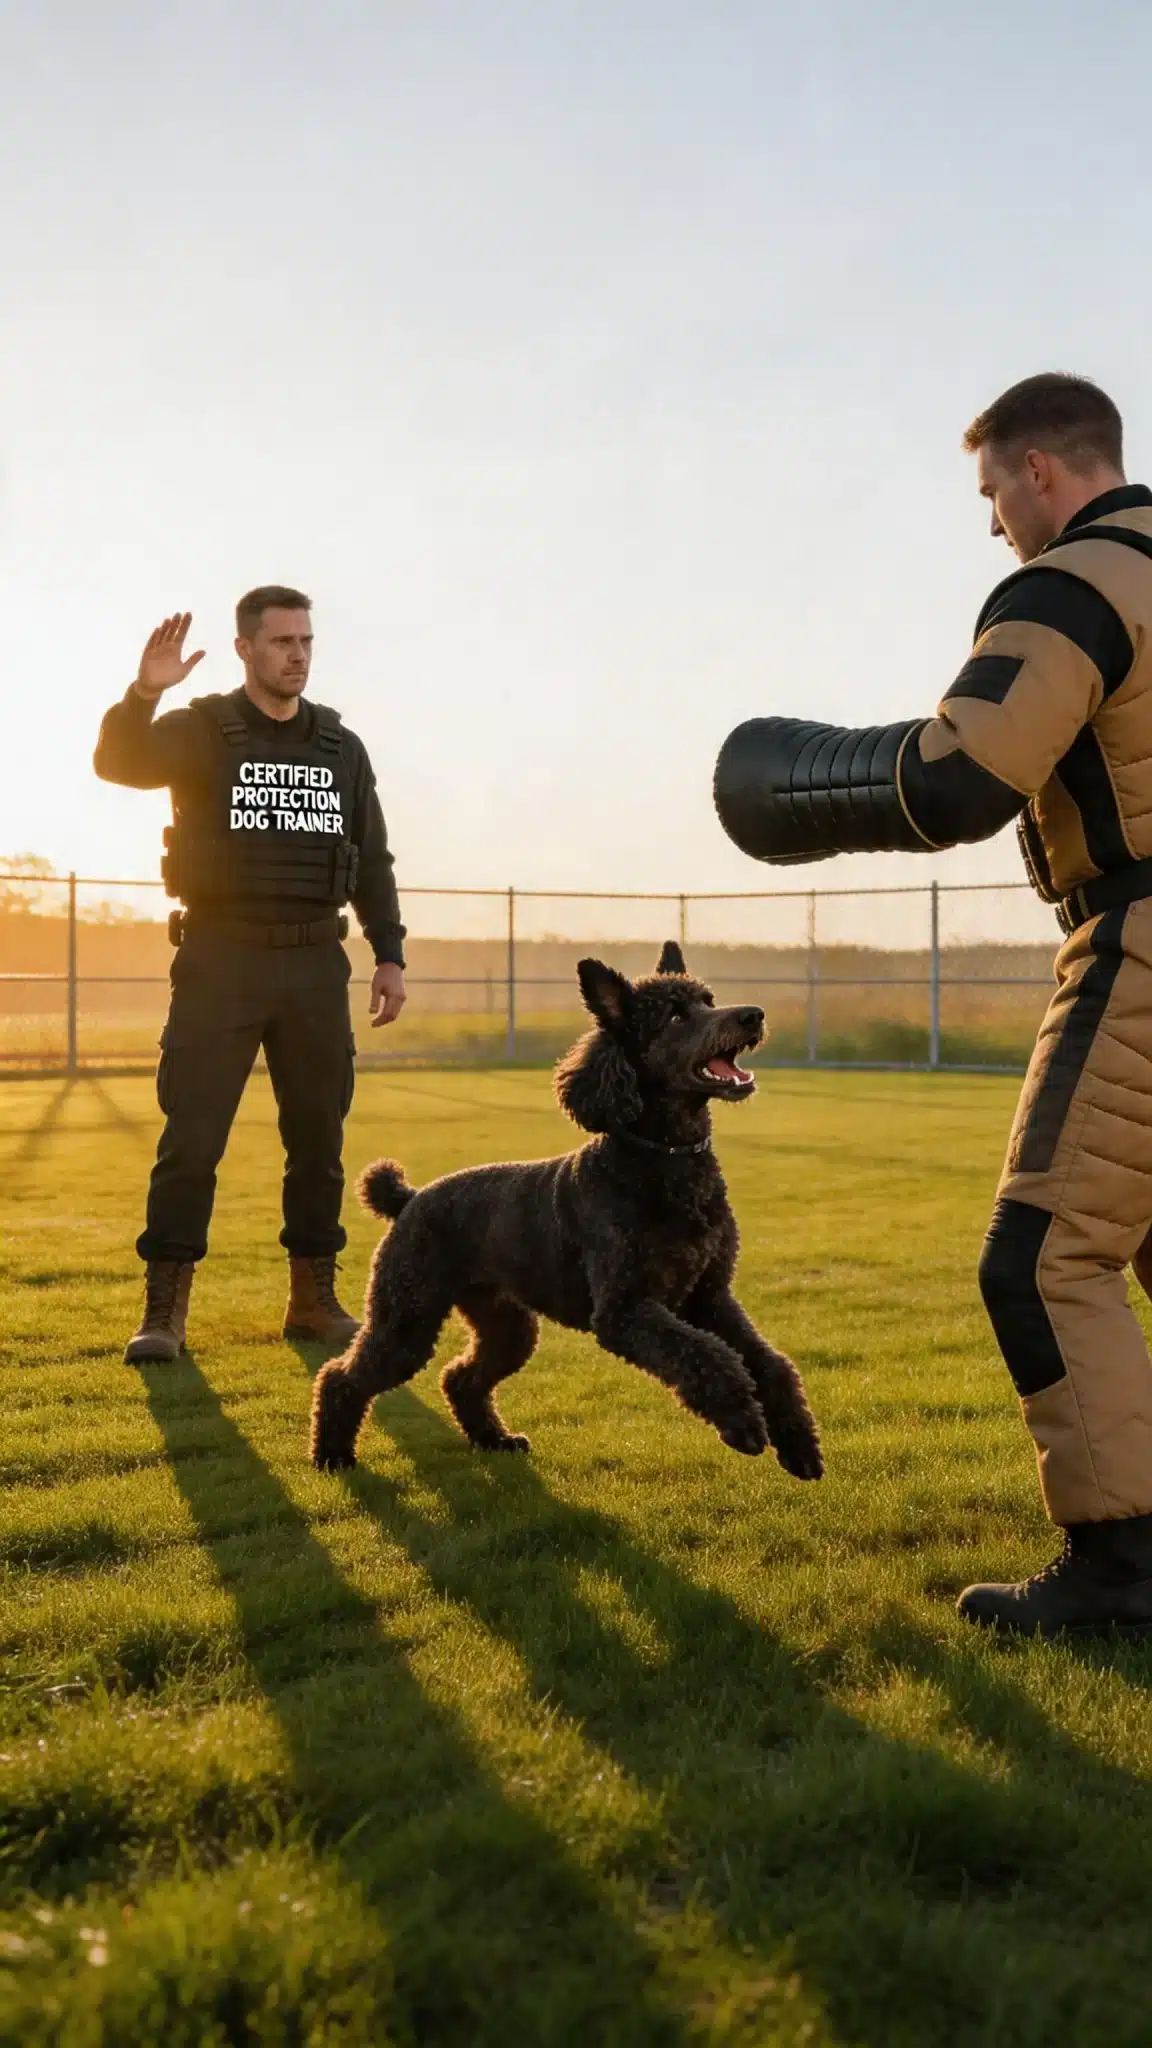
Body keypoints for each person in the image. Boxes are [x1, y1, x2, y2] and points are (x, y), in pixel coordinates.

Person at [714, 373, 1152, 1638]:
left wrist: (787, 781)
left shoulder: (1079, 578)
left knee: (1043, 1258)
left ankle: (1123, 1573)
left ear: (1040, 474)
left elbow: (961, 781)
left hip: (1142, 936)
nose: (996, 527)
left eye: (992, 497)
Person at [94, 586, 407, 1362]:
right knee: (192, 1140)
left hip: (312, 965)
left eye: (305, 641)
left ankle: (313, 1300)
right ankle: (164, 1314)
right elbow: (117, 762)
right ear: (245, 649)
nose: (296, 654)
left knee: (318, 1140)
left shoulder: (342, 748)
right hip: (219, 960)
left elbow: (371, 860)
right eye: (280, 642)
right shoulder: (203, 730)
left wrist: (389, 951)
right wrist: (142, 695)